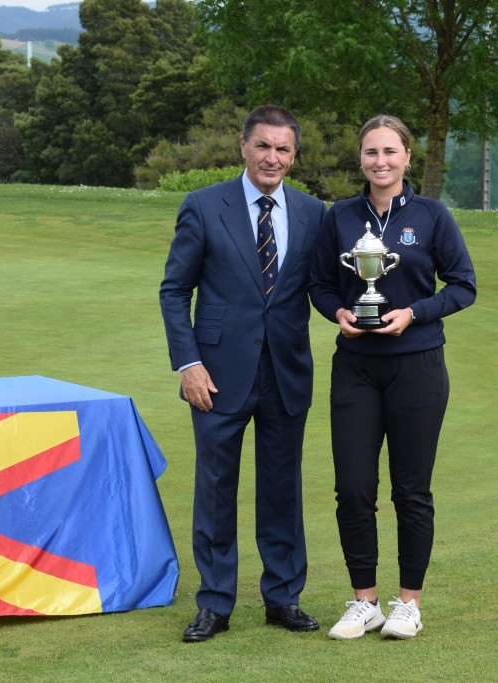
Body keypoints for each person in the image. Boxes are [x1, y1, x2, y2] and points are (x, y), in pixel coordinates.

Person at [160, 105, 326, 642]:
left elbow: (322, 288)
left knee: (282, 491)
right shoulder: (204, 206)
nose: (272, 157)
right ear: (243, 146)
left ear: (294, 156)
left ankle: (282, 597)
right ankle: (214, 603)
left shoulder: (311, 213)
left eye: (283, 149)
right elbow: (174, 291)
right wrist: (188, 363)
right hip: (216, 375)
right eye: (263, 146)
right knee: (214, 490)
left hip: (286, 373)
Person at [309, 114, 476, 640]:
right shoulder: (339, 216)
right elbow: (319, 285)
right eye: (371, 153)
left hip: (418, 364)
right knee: (354, 488)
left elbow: (463, 286)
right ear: (360, 159)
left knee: (411, 490)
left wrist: (416, 313)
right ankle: (364, 603)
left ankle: (409, 603)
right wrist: (337, 314)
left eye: (390, 152)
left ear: (407, 157)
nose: (380, 162)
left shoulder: (431, 215)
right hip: (355, 366)